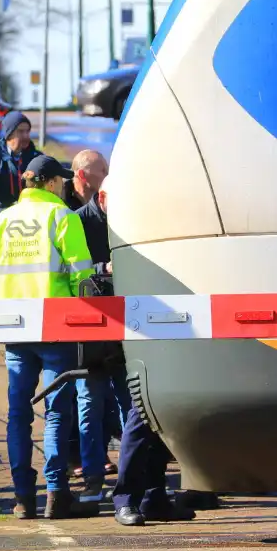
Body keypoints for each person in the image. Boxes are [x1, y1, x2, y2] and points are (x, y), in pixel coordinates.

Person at [0, 154, 104, 520]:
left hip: (14, 328)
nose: (65, 185)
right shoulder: (61, 217)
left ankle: (22, 497)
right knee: (55, 413)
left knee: (18, 413)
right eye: (61, 181)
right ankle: (55, 493)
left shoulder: (2, 219)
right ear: (50, 183)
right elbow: (81, 274)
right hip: (54, 326)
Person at [92, 180, 196, 526]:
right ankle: (126, 498)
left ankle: (153, 497)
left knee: (156, 419)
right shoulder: (88, 222)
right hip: (133, 337)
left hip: (168, 330)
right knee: (140, 417)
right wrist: (102, 270)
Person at [76, 177, 132, 479]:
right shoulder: (78, 222)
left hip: (123, 328)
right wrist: (102, 269)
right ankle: (92, 472)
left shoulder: (128, 220)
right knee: (89, 402)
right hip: (91, 327)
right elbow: (72, 271)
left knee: (129, 402)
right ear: (103, 197)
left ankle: (129, 471)